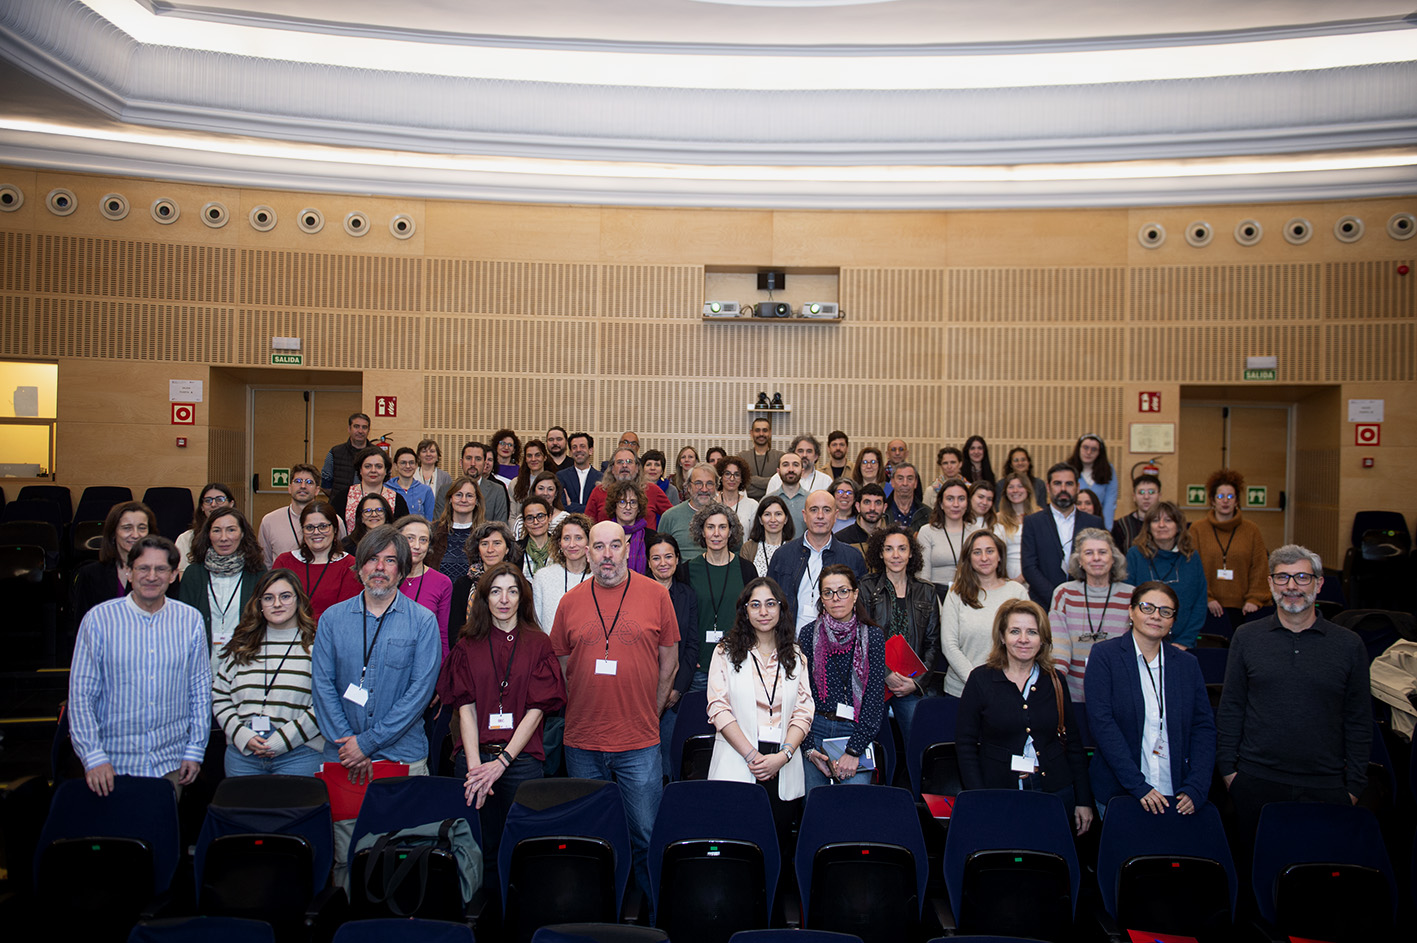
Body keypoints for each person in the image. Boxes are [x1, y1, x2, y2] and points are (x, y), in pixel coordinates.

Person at [549, 521, 680, 896]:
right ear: (587, 551)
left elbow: (669, 663)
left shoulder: (656, 595)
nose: (607, 555)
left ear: (627, 549)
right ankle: (601, 911)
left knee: (646, 834)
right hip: (582, 744)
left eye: (615, 545)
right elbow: (563, 665)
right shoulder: (569, 602)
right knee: (592, 837)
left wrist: (651, 711)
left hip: (639, 742)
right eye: (599, 546)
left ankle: (652, 916)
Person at [1216, 545, 1370, 847]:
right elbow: (1232, 707)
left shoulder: (1349, 645)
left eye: (1302, 577)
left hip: (1325, 785)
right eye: (1282, 577)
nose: (1291, 586)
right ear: (1271, 583)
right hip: (1255, 782)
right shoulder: (1247, 637)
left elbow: (1359, 719)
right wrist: (1229, 771)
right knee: (1255, 869)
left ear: (1319, 583)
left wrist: (1353, 786)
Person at [311, 526, 441, 874]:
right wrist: (349, 744)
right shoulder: (332, 620)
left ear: (402, 569)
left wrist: (366, 743)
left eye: (390, 560)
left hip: (402, 757)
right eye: (371, 559)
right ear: (359, 567)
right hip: (342, 759)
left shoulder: (423, 622)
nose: (380, 568)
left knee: (403, 857)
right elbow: (322, 686)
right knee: (346, 858)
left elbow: (419, 694)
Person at [439, 562, 566, 883]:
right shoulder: (467, 644)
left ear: (523, 598)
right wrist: (475, 768)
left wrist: (502, 762)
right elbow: (465, 709)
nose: (504, 599)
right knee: (476, 850)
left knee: (521, 850)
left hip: (520, 762)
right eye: (496, 591)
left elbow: (536, 710)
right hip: (474, 759)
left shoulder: (538, 643)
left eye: (512, 591)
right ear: (484, 598)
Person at [69, 535, 210, 795]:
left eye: (161, 569)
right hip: (111, 766)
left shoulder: (190, 620)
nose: (151, 576)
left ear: (173, 575)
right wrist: (93, 756)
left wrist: (195, 749)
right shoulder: (99, 620)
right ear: (128, 572)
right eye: (143, 568)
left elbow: (199, 691)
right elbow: (81, 696)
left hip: (171, 764)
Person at [956, 598, 1094, 836]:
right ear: (1002, 637)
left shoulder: (1055, 681)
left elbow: (1073, 744)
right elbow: (965, 744)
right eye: (1015, 631)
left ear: (1043, 639)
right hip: (998, 791)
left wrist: (1083, 800)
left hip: (1054, 791)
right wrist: (978, 796)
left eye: (1032, 632)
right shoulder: (981, 679)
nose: (1023, 639)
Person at [1084, 581, 1215, 816]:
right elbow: (1102, 724)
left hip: (1177, 793)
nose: (1156, 616)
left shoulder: (1187, 665)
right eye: (1147, 608)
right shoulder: (1105, 656)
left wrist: (1197, 786)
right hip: (1121, 791)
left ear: (1173, 621)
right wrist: (1138, 785)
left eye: (1165, 611)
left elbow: (1203, 727)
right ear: (1131, 611)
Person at [707, 577, 813, 841]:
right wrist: (752, 755)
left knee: (777, 845)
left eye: (770, 604)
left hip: (782, 762)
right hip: (739, 759)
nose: (763, 612)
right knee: (737, 845)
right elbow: (718, 708)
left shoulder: (796, 656)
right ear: (745, 610)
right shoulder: (724, 652)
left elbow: (803, 711)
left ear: (781, 608)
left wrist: (784, 755)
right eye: (755, 605)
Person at [213, 569, 325, 776]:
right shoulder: (242, 645)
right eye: (268, 598)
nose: (277, 604)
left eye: (285, 596)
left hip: (300, 753)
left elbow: (326, 703)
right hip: (243, 754)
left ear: (298, 600)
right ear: (259, 604)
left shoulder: (317, 646)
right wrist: (241, 735)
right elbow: (220, 695)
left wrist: (283, 740)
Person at [798, 565, 885, 790]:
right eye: (828, 593)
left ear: (855, 595)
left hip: (855, 731)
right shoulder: (808, 634)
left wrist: (854, 751)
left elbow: (874, 699)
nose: (836, 598)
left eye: (843, 591)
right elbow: (801, 696)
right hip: (815, 729)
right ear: (822, 599)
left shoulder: (873, 636)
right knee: (814, 804)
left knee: (853, 803)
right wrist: (809, 748)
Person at [860, 525, 940, 745]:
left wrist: (916, 682)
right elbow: (861, 637)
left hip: (911, 683)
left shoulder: (927, 591)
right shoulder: (866, 587)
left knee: (919, 745)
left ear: (911, 553)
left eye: (902, 548)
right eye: (889, 549)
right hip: (875, 682)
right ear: (880, 553)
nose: (896, 555)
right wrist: (885, 673)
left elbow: (933, 643)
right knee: (874, 746)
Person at [940, 529, 1030, 697]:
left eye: (990, 551)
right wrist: (978, 682)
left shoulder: (1017, 592)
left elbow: (1027, 641)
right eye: (977, 552)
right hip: (962, 691)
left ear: (1000, 555)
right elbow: (949, 645)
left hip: (1009, 690)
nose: (984, 558)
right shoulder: (956, 594)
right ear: (968, 558)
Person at [1050, 528, 1134, 702]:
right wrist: (1056, 681)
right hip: (1073, 693)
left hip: (1119, 692)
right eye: (1088, 553)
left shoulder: (1131, 596)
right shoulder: (1064, 593)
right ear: (1079, 561)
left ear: (1113, 558)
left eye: (1102, 552)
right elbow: (1059, 646)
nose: (1096, 558)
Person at [768, 490, 867, 631]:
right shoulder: (783, 555)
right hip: (790, 639)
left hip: (838, 641)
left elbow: (862, 606)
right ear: (804, 515)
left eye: (826, 510)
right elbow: (770, 601)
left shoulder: (852, 557)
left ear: (835, 516)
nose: (820, 516)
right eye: (814, 510)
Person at [683, 503, 758, 690]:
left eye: (722, 527)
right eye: (710, 527)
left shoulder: (747, 570)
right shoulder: (686, 571)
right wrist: (688, 658)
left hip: (738, 665)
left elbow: (754, 618)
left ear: (730, 532)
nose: (716, 534)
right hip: (699, 668)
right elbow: (682, 621)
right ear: (702, 531)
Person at [646, 533, 701, 779]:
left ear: (678, 559)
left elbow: (691, 646)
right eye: (656, 558)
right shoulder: (636, 594)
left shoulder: (688, 595)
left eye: (668, 556)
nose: (663, 563)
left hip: (674, 695)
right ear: (648, 563)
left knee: (670, 759)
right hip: (642, 691)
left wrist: (676, 688)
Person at [177, 506, 266, 654]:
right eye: (217, 530)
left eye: (231, 530)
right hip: (202, 658)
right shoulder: (193, 574)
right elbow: (184, 623)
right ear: (208, 535)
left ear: (242, 533)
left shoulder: (257, 572)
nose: (223, 538)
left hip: (246, 658)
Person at [1189, 468, 1269, 626]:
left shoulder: (1251, 530)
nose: (1225, 501)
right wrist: (1207, 598)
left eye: (1230, 496)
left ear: (1237, 501)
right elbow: (1192, 568)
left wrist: (1254, 599)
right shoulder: (1197, 529)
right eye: (1220, 496)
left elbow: (1260, 568)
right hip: (1207, 607)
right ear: (1212, 500)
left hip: (1245, 609)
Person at [1021, 463, 1104, 608]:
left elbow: (1100, 564)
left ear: (1077, 487)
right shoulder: (1033, 522)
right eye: (1058, 483)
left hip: (1085, 603)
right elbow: (1029, 567)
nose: (1063, 489)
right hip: (1044, 604)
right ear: (1048, 487)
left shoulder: (1094, 523)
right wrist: (1056, 598)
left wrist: (1077, 597)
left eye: (1069, 484)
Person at [1124, 502, 1205, 648]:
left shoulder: (1191, 558)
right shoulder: (1135, 555)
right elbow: (1128, 601)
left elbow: (1200, 603)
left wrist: (1184, 641)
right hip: (1141, 643)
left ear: (1178, 526)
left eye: (1168, 520)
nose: (1161, 525)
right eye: (1155, 520)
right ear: (1148, 527)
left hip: (1182, 644)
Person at [71, 500, 161, 629]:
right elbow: (82, 626)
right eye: (127, 528)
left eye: (142, 528)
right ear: (113, 533)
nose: (135, 535)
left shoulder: (161, 575)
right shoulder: (90, 575)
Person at [274, 501, 362, 621]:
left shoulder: (350, 565)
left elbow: (344, 613)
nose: (316, 532)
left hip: (330, 631)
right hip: (287, 630)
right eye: (309, 527)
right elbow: (275, 604)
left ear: (335, 529)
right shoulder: (284, 562)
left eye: (323, 526)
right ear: (302, 531)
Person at [450, 522, 522, 639]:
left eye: (497, 543)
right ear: (478, 549)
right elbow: (455, 631)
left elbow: (525, 625)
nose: (490, 549)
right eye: (484, 544)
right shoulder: (463, 585)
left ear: (507, 549)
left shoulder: (520, 583)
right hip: (471, 646)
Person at [396, 514, 454, 656]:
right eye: (410, 538)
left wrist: (443, 665)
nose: (416, 546)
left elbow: (442, 634)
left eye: (423, 540)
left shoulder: (442, 583)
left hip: (425, 658)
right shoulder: (384, 578)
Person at [532, 513, 594, 633]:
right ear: (559, 543)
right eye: (566, 538)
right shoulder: (542, 578)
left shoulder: (598, 578)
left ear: (589, 542)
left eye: (578, 538)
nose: (572, 544)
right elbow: (536, 624)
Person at [259, 463, 326, 567]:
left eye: (309, 482)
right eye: (297, 481)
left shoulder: (331, 521)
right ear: (289, 488)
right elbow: (265, 564)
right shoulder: (269, 521)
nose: (303, 486)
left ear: (317, 490)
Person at [586, 448, 671, 527]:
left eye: (629, 462)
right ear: (612, 469)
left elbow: (673, 517)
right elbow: (587, 524)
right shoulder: (599, 491)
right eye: (619, 462)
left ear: (637, 468)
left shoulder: (652, 490)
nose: (624, 465)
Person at [917, 476, 972, 596]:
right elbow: (923, 576)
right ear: (941, 504)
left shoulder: (977, 533)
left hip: (970, 593)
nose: (956, 504)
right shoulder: (927, 532)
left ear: (967, 503)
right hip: (935, 595)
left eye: (961, 499)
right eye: (950, 499)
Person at [657, 464, 721, 563]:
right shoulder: (670, 516)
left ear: (716, 487)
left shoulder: (726, 516)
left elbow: (736, 552)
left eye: (709, 484)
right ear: (689, 487)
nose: (704, 489)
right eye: (698, 483)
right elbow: (659, 552)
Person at [429, 476, 485, 582]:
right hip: (438, 589)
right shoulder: (433, 530)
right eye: (458, 495)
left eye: (469, 496)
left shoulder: (485, 533)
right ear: (450, 499)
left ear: (477, 501)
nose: (463, 500)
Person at [343, 446, 409, 533]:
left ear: (386, 470)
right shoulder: (343, 496)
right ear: (360, 470)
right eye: (368, 466)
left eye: (379, 466)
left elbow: (404, 531)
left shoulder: (398, 499)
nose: (373, 470)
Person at [176, 482, 234, 575]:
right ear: (202, 507)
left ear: (231, 504)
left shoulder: (240, 536)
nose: (213, 504)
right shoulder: (186, 538)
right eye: (208, 500)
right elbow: (184, 577)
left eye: (220, 499)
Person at [321, 411, 372, 515]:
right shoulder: (335, 452)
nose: (360, 431)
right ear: (349, 429)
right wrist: (340, 497)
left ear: (368, 430)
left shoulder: (377, 454)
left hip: (369, 509)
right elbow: (325, 483)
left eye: (364, 427)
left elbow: (385, 482)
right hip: (339, 509)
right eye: (356, 426)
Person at [994, 472, 1036, 587]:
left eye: (1020, 486)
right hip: (1005, 576)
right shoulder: (998, 518)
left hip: (1033, 575)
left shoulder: (1039, 516)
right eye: (1011, 487)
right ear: (1005, 492)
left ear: (1028, 490)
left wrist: (1021, 578)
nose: (1015, 490)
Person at [1068, 434, 1118, 528]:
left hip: (1098, 523)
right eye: (1085, 447)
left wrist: (1106, 528)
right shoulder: (1068, 469)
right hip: (1072, 523)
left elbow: (1110, 502)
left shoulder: (1108, 470)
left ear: (1100, 452)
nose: (1089, 452)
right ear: (1078, 448)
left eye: (1094, 449)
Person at [605, 477, 653, 574]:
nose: (628, 507)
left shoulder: (651, 538)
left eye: (633, 502)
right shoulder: (604, 535)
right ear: (614, 506)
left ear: (639, 508)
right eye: (622, 502)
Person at [741, 495, 794, 577]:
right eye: (767, 514)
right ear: (760, 520)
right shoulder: (748, 548)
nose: (773, 520)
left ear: (786, 519)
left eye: (778, 514)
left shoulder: (795, 548)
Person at [766, 434, 833, 495]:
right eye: (800, 451)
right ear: (793, 454)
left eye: (809, 451)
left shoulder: (826, 481)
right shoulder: (776, 479)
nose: (804, 455)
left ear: (816, 456)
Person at [512, 471, 569, 541]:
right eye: (541, 488)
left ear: (556, 493)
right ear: (534, 491)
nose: (545, 493)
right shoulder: (521, 520)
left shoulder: (565, 519)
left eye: (550, 489)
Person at [461, 441, 510, 523]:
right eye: (468, 458)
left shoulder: (498, 490)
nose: (473, 463)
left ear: (484, 464)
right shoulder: (446, 490)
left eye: (478, 459)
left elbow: (501, 525)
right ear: (461, 462)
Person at [1111, 473, 1161, 553]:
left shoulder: (1167, 524)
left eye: (1151, 492)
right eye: (1141, 492)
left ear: (1159, 496)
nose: (1146, 497)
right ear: (1134, 497)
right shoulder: (1121, 525)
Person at [834, 483, 886, 559]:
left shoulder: (894, 537)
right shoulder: (841, 539)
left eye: (877, 503)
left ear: (884, 507)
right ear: (858, 506)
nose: (872, 508)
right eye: (867, 502)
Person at [738, 416, 783, 500]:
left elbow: (780, 485)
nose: (761, 434)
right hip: (747, 504)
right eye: (757, 430)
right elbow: (741, 486)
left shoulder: (780, 457)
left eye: (765, 430)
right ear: (751, 433)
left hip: (773, 504)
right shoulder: (742, 457)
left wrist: (751, 479)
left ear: (770, 433)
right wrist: (770, 483)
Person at [557, 432, 602, 514]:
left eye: (582, 446)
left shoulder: (601, 478)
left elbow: (601, 508)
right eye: (574, 447)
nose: (578, 450)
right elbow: (562, 506)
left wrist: (572, 505)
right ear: (570, 452)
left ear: (590, 451)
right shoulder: (561, 476)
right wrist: (589, 508)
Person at [387, 447, 436, 520]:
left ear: (416, 465)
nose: (408, 466)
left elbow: (430, 520)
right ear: (395, 466)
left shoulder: (426, 490)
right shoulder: (386, 489)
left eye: (411, 463)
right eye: (403, 463)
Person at [516, 495, 557, 579]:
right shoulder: (516, 550)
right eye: (530, 518)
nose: (535, 522)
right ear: (524, 522)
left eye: (540, 516)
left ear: (549, 517)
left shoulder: (560, 548)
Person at [716, 455, 758, 535]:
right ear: (721, 477)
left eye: (737, 474)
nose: (732, 478)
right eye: (727, 474)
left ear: (742, 479)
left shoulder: (752, 506)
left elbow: (755, 536)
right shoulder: (711, 503)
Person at [415, 438, 454, 520]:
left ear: (437, 456)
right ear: (418, 456)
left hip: (439, 520)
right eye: (424, 451)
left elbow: (449, 502)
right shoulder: (412, 475)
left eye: (432, 451)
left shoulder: (445, 477)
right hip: (415, 519)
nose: (428, 454)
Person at [510, 438, 550, 518]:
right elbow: (512, 516)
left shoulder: (553, 482)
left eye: (537, 455)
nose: (533, 459)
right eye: (529, 456)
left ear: (545, 457)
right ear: (525, 459)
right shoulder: (515, 483)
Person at [770, 452, 808, 524]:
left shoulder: (811, 500)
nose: (791, 469)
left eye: (795, 465)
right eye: (785, 465)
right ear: (778, 471)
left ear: (802, 471)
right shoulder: (768, 500)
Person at [885, 462, 923, 528]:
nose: (905, 483)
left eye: (910, 479)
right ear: (892, 482)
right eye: (900, 479)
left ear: (916, 483)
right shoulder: (883, 512)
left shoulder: (926, 513)